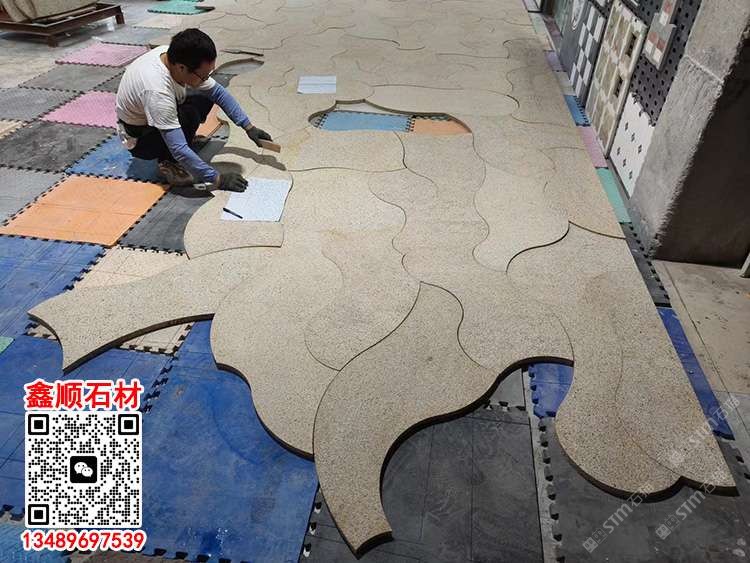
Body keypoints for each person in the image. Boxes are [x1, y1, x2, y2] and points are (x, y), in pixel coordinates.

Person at [115, 28, 272, 191]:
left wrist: (249, 127)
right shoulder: (157, 90)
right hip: (141, 139)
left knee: (205, 96)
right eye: (203, 75)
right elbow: (179, 148)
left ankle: (183, 136)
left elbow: (218, 93)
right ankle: (168, 162)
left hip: (153, 116)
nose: (206, 78)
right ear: (182, 68)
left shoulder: (173, 55)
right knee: (188, 116)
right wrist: (218, 179)